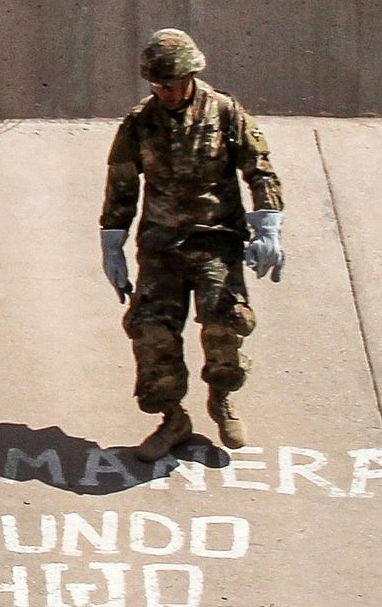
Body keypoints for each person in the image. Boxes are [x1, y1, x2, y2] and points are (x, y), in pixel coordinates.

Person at [99, 29, 286, 461]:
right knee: (150, 330)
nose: (163, 92)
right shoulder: (139, 123)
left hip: (215, 239)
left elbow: (259, 169)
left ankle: (221, 398)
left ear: (189, 75)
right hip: (162, 245)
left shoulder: (225, 113)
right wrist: (113, 244)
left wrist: (269, 225)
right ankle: (173, 419)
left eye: (169, 84)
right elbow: (121, 185)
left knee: (225, 324)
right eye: (156, 85)